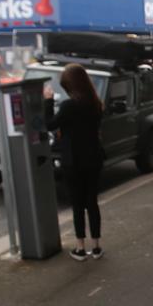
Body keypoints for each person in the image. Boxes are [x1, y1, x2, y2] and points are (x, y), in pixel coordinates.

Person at [44, 63, 105, 261]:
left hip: (74, 160)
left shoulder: (69, 106)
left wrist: (48, 101)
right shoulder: (96, 103)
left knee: (78, 205)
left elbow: (49, 125)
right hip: (94, 158)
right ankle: (96, 247)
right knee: (92, 203)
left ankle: (80, 248)